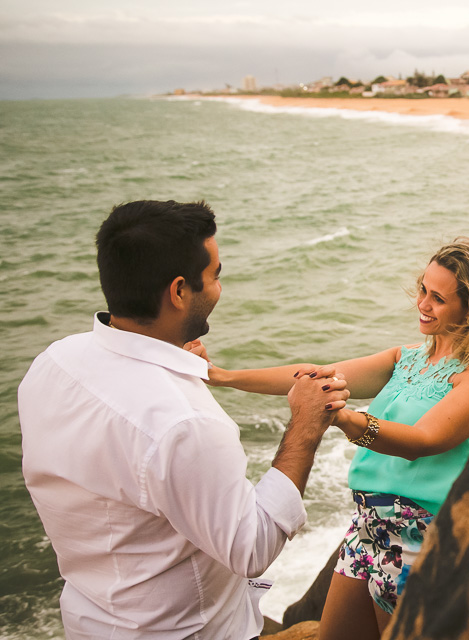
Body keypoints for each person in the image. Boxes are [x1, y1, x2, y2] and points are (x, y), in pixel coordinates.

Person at [18, 200, 349, 640]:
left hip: (92, 620)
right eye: (214, 276)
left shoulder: (55, 361)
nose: (217, 288)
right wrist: (305, 427)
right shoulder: (184, 421)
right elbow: (250, 548)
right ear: (178, 291)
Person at [192, 237, 469, 638]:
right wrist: (220, 376)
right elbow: (315, 374)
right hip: (366, 526)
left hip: (420, 540)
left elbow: (422, 441)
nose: (423, 305)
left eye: (438, 299)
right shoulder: (404, 358)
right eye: (422, 290)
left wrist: (345, 418)